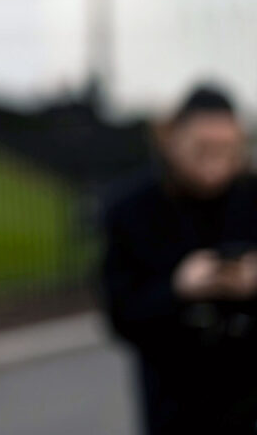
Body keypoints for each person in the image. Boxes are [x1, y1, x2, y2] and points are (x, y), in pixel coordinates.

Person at [101, 85, 257, 434]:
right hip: (175, 406)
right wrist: (177, 288)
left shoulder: (251, 197)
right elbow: (121, 314)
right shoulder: (132, 210)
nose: (215, 161)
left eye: (227, 149)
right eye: (202, 148)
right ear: (172, 141)